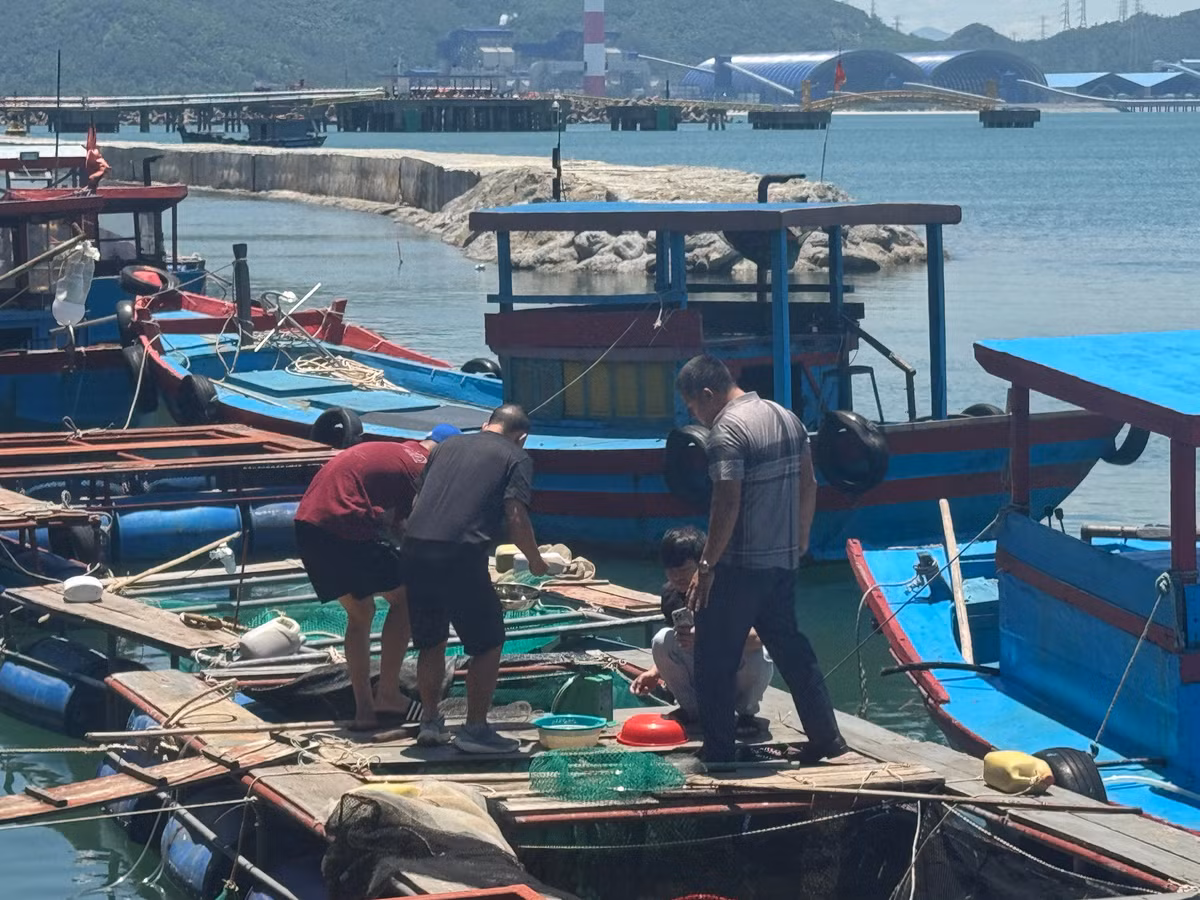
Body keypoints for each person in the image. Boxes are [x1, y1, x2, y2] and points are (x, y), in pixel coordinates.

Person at [675, 354, 847, 766]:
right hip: (782, 560)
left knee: (714, 655)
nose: (696, 416)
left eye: (694, 408)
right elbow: (809, 483)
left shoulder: (727, 432)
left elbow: (726, 501)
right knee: (791, 648)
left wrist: (706, 565)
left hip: (738, 564)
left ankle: (719, 749)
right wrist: (800, 538)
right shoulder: (786, 417)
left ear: (706, 394)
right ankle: (827, 738)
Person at [401, 404, 548, 754]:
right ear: (522, 437)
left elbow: (419, 499)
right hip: (460, 553)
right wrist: (535, 560)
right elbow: (515, 514)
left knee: (431, 640)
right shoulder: (516, 456)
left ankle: (431, 722)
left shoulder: (448, 445)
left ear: (486, 424)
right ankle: (475, 729)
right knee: (488, 642)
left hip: (414, 548)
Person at [293, 424, 462, 730]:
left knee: (361, 614)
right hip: (345, 525)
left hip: (309, 525)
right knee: (407, 598)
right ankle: (387, 694)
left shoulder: (397, 451)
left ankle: (364, 711)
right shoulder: (420, 466)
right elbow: (414, 530)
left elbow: (396, 526)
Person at [631, 526, 773, 736]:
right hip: (702, 665)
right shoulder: (670, 594)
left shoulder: (732, 588)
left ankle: (746, 714)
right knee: (661, 640)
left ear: (702, 566)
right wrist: (654, 673)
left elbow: (760, 637)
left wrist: (709, 636)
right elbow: (678, 641)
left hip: (735, 664)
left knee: (760, 655)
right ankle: (693, 711)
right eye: (671, 571)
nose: (677, 577)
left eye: (684, 570)